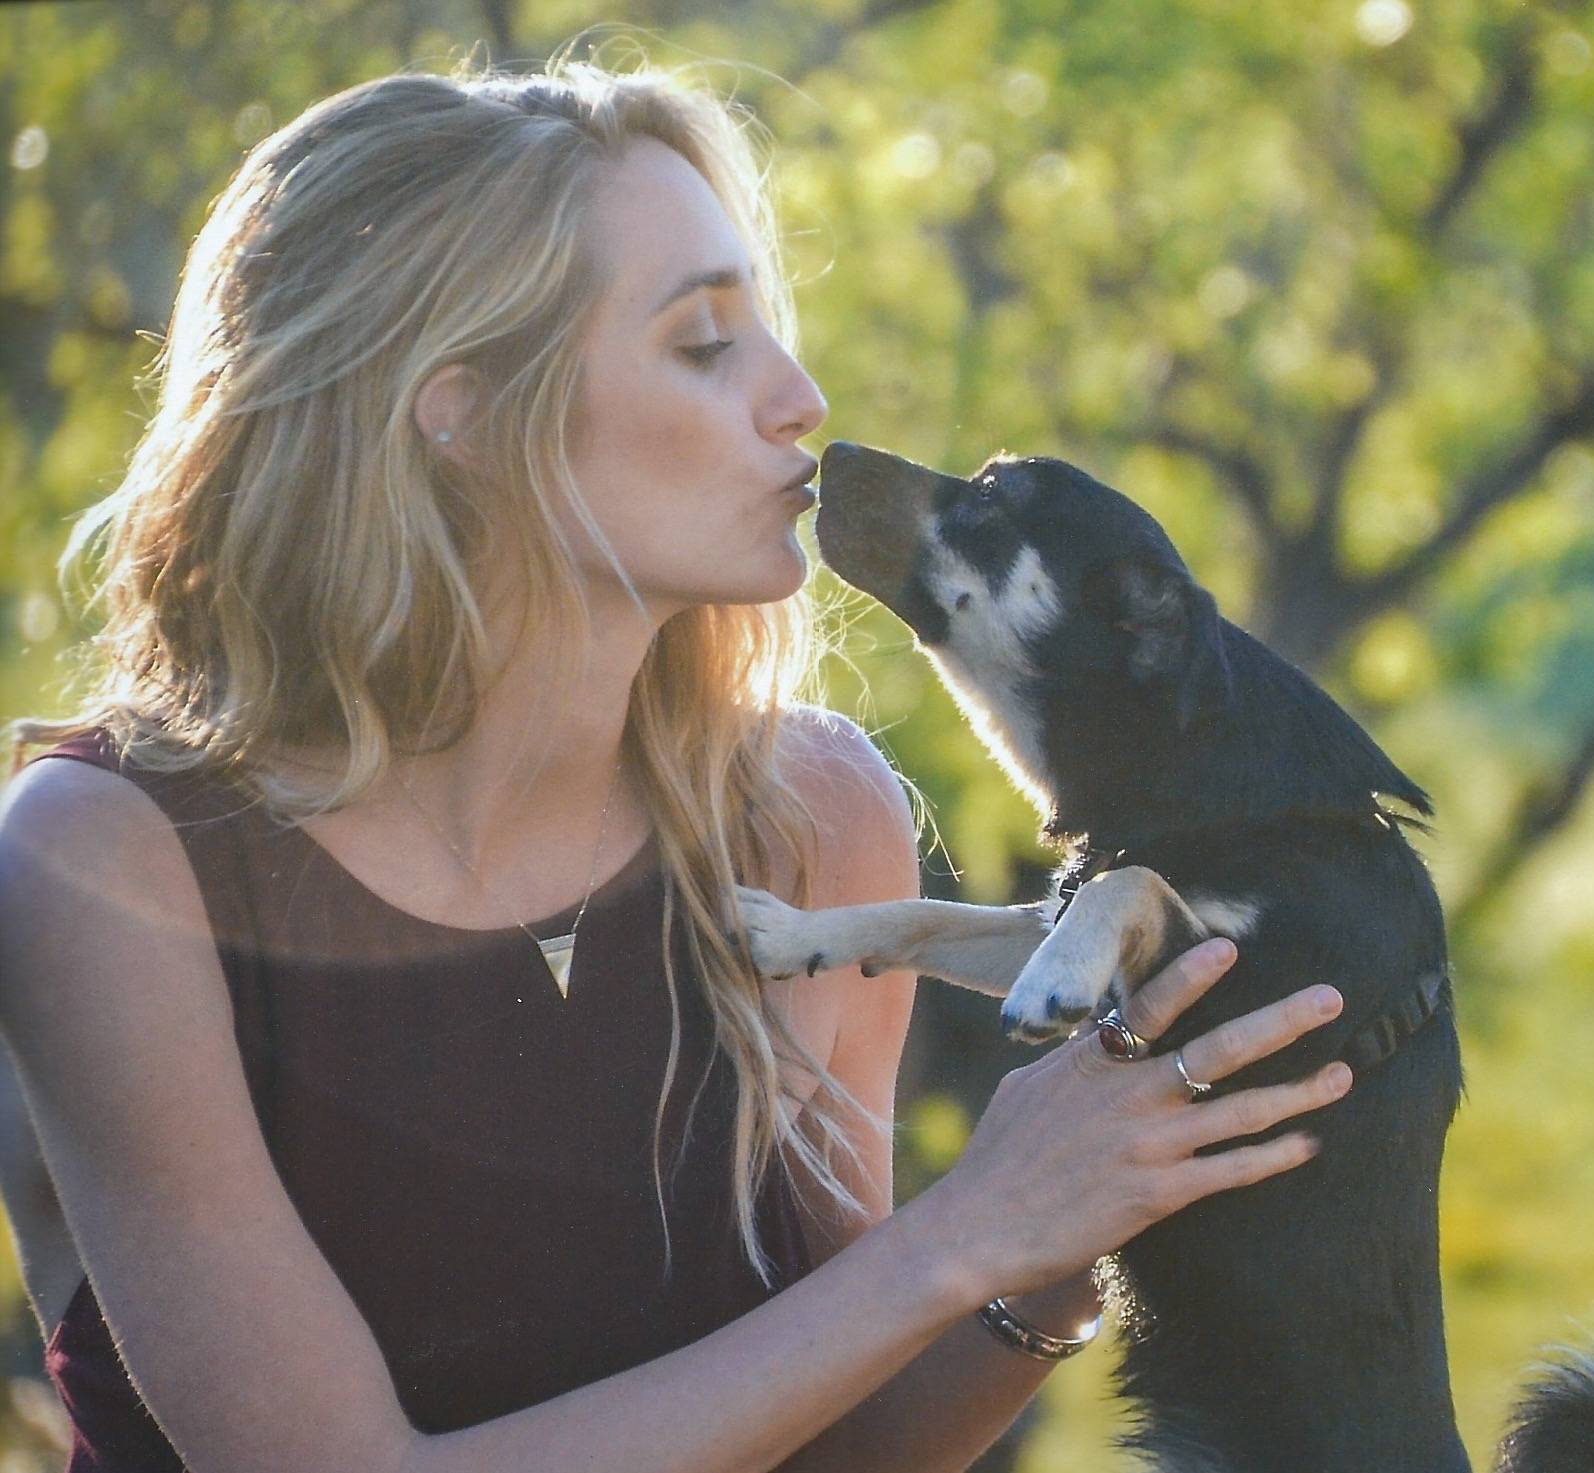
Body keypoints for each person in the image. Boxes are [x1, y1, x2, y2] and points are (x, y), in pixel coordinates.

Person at [0, 50, 1353, 1473]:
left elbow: (833, 1447)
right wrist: (964, 1231)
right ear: (457, 411)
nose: (802, 399)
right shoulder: (112, 864)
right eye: (707, 344)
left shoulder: (807, 822)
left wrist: (1068, 1243)